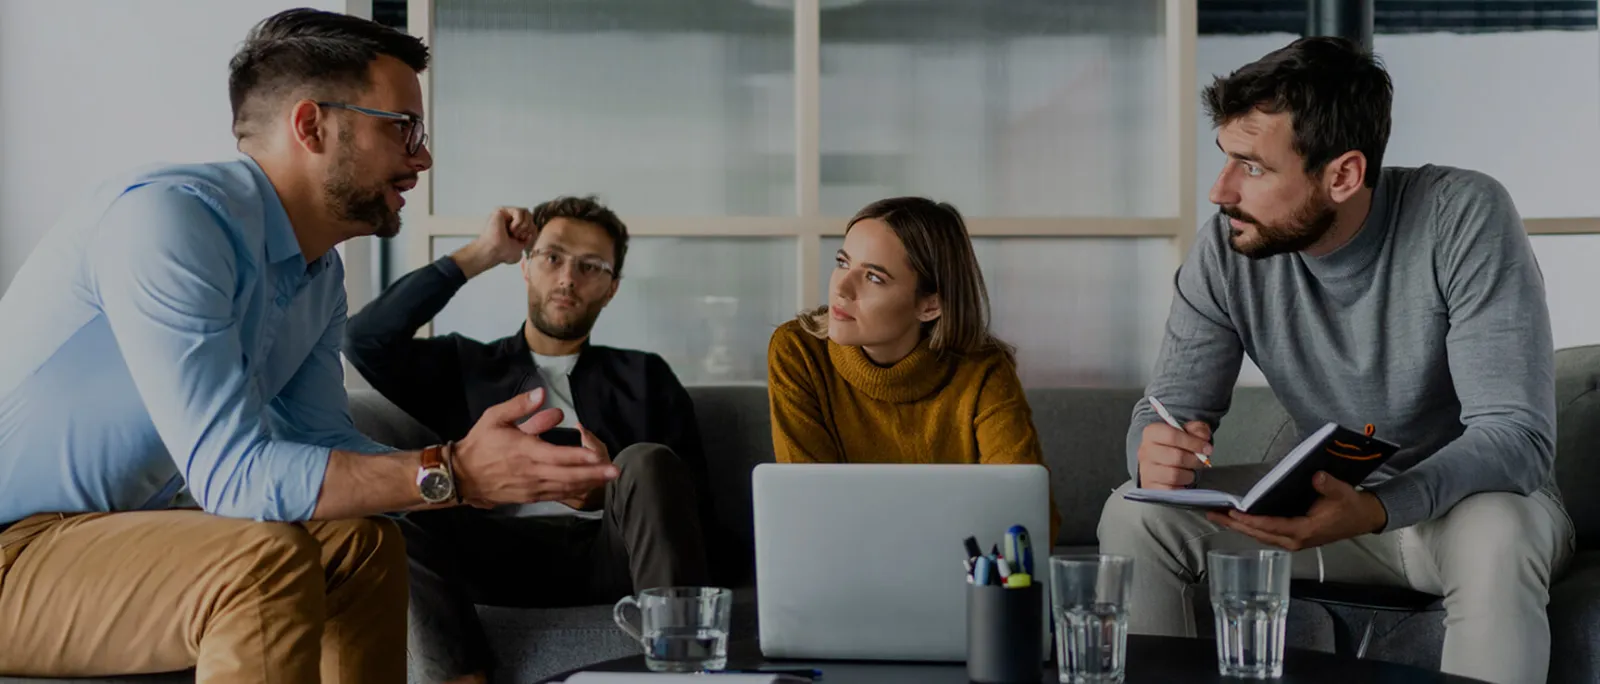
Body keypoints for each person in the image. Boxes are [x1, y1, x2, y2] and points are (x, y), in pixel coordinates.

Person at [0, 9, 619, 683]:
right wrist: (453, 472)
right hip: (14, 551)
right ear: (311, 125)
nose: (423, 156)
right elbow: (233, 477)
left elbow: (324, 445)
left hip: (102, 539)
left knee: (360, 541)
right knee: (262, 561)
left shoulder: (317, 275)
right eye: (402, 128)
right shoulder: (168, 223)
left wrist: (489, 475)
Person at [1095, 37, 1571, 684]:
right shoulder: (1227, 249)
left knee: (1500, 532)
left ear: (1343, 175)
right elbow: (1162, 415)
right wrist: (1151, 451)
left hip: (1461, 509)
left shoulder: (1462, 216)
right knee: (1136, 510)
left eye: (1252, 167)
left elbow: (1515, 438)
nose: (1219, 190)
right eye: (1224, 159)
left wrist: (1378, 507)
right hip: (1331, 510)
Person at [345, 199, 718, 684]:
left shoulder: (645, 375)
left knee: (646, 460)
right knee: (406, 493)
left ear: (611, 289)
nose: (567, 278)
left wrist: (607, 492)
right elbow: (364, 340)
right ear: (525, 267)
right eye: (553, 257)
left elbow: (694, 509)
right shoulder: (465, 365)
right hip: (492, 553)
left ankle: (680, 668)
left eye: (591, 267)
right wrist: (481, 252)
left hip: (610, 556)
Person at [766, 196, 1061, 541]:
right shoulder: (798, 350)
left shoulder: (983, 370)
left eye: (874, 277)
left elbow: (1026, 518)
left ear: (930, 304)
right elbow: (809, 509)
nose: (841, 288)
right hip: (842, 566)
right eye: (843, 262)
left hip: (958, 578)